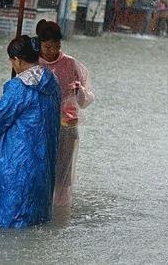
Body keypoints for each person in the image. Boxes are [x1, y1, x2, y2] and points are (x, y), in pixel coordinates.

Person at [0, 35, 61, 228]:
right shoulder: (52, 82)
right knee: (34, 205)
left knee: (10, 209)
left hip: (19, 157)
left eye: (12, 61)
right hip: (43, 157)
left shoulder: (19, 86)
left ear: (17, 60)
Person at [36, 20, 94, 207]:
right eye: (47, 46)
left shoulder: (71, 65)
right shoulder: (33, 64)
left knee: (63, 176)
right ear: (40, 44)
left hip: (67, 127)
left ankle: (59, 212)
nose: (52, 51)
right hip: (39, 127)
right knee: (40, 169)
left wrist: (79, 92)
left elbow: (86, 101)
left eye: (57, 46)